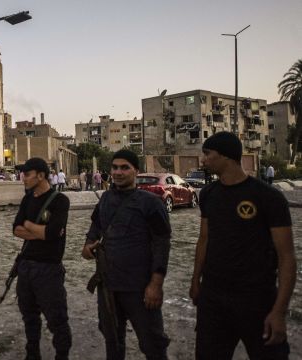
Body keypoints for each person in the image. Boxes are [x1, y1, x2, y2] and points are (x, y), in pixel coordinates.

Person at [189, 132, 296, 359]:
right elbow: (204, 240)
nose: (203, 160)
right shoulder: (208, 194)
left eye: (208, 154)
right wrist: (195, 281)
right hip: (213, 298)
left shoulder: (268, 197)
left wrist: (279, 311)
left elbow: (286, 256)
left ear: (226, 156)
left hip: (257, 298)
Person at [82, 149, 171, 360]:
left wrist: (155, 284)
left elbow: (162, 244)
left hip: (139, 288)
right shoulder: (104, 200)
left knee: (153, 344)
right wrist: (87, 247)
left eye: (125, 167)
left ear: (136, 171)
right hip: (108, 287)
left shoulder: (151, 203)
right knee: (112, 341)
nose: (118, 172)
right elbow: (94, 229)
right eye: (115, 167)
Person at [13, 157, 72, 360]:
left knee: (57, 319)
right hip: (26, 267)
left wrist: (29, 226)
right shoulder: (27, 199)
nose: (23, 179)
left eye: (27, 175)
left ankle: (62, 355)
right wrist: (40, 231)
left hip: (49, 270)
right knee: (29, 316)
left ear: (41, 175)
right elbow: (16, 229)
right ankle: (33, 353)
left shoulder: (60, 201)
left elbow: (53, 233)